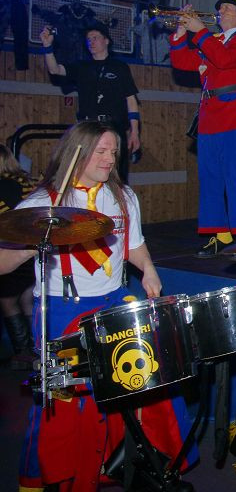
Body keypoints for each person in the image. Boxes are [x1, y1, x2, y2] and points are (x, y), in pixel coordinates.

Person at [0, 122, 190, 491]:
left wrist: (148, 270)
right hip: (61, 310)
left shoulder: (123, 197)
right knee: (61, 403)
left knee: (139, 385)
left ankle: (125, 464)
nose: (109, 159)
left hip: (112, 303)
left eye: (113, 152)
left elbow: (132, 244)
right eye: (101, 151)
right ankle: (44, 477)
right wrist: (39, 239)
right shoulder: (42, 203)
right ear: (77, 152)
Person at [169, 0, 236, 257]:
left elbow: (224, 59)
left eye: (229, 8)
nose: (221, 12)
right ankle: (217, 233)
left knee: (234, 173)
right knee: (209, 176)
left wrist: (199, 31)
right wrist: (180, 32)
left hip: (235, 112)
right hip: (209, 114)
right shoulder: (213, 41)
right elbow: (182, 61)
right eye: (220, 8)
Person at [39, 24, 141, 182]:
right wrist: (47, 47)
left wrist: (134, 132)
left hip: (114, 128)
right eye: (88, 39)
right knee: (84, 173)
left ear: (106, 41)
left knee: (116, 177)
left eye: (95, 38)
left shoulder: (120, 67)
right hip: (88, 128)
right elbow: (55, 70)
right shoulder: (81, 66)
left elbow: (131, 100)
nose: (91, 42)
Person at [0, 144, 35, 370]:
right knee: (28, 299)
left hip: (8, 251)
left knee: (7, 302)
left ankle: (23, 352)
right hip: (30, 250)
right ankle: (36, 349)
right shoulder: (25, 183)